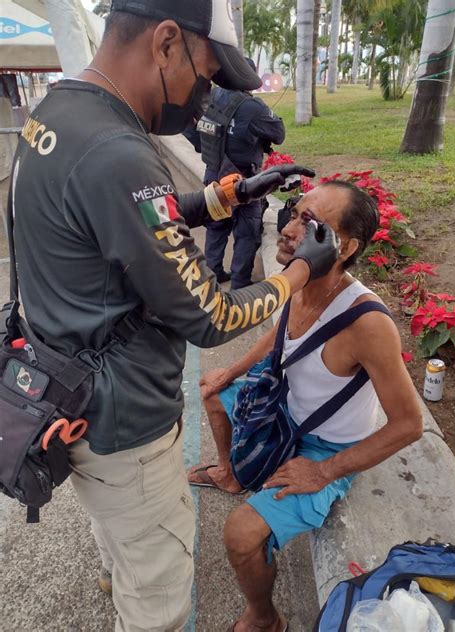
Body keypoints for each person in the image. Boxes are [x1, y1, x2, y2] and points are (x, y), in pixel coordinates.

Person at [7, 1, 340, 630]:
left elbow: (121, 223)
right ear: (166, 43)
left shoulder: (58, 111)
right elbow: (209, 315)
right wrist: (299, 273)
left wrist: (229, 194)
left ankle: (116, 579)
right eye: (207, 76)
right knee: (158, 599)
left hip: (67, 394)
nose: (205, 97)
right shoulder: (118, 150)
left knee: (121, 541)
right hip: (125, 421)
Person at [189, 181, 423, 632]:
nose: (292, 228)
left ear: (347, 246)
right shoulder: (297, 281)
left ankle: (263, 618)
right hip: (285, 411)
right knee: (213, 393)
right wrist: (231, 372)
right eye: (294, 214)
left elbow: (410, 424)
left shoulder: (367, 323)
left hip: (326, 449)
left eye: (312, 224)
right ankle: (234, 473)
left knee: (240, 535)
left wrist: (324, 471)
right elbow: (279, 335)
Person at [185, 58, 285, 289]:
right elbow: (279, 134)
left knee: (216, 227)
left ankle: (213, 274)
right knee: (247, 234)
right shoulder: (254, 107)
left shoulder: (208, 100)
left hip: (214, 176)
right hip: (244, 183)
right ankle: (240, 284)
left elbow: (192, 133)